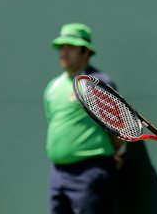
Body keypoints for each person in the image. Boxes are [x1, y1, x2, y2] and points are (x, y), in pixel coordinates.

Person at [43, 23, 122, 214]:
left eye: (70, 46)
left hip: (90, 173)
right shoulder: (53, 87)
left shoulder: (96, 82)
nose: (64, 51)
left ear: (85, 51)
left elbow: (119, 129)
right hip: (58, 173)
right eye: (61, 47)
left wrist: (111, 154)